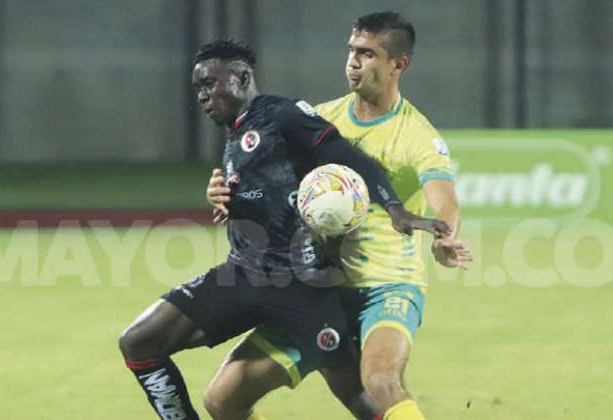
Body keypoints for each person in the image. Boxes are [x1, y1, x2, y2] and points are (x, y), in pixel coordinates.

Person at [119, 39, 450, 420]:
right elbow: (268, 192)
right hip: (242, 275)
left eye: (210, 84)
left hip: (302, 287)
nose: (204, 96)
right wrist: (227, 197)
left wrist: (394, 207)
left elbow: (349, 157)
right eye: (198, 89)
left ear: (242, 77)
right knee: (139, 343)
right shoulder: (236, 135)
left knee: (363, 397)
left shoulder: (282, 115)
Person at [203, 12, 473, 420]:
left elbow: (445, 200)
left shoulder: (416, 134)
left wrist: (445, 236)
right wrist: (225, 191)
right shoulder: (318, 119)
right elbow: (263, 179)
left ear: (398, 64)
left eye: (367, 54)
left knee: (379, 382)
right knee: (223, 399)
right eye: (351, 51)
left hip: (387, 287)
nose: (353, 61)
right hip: (313, 288)